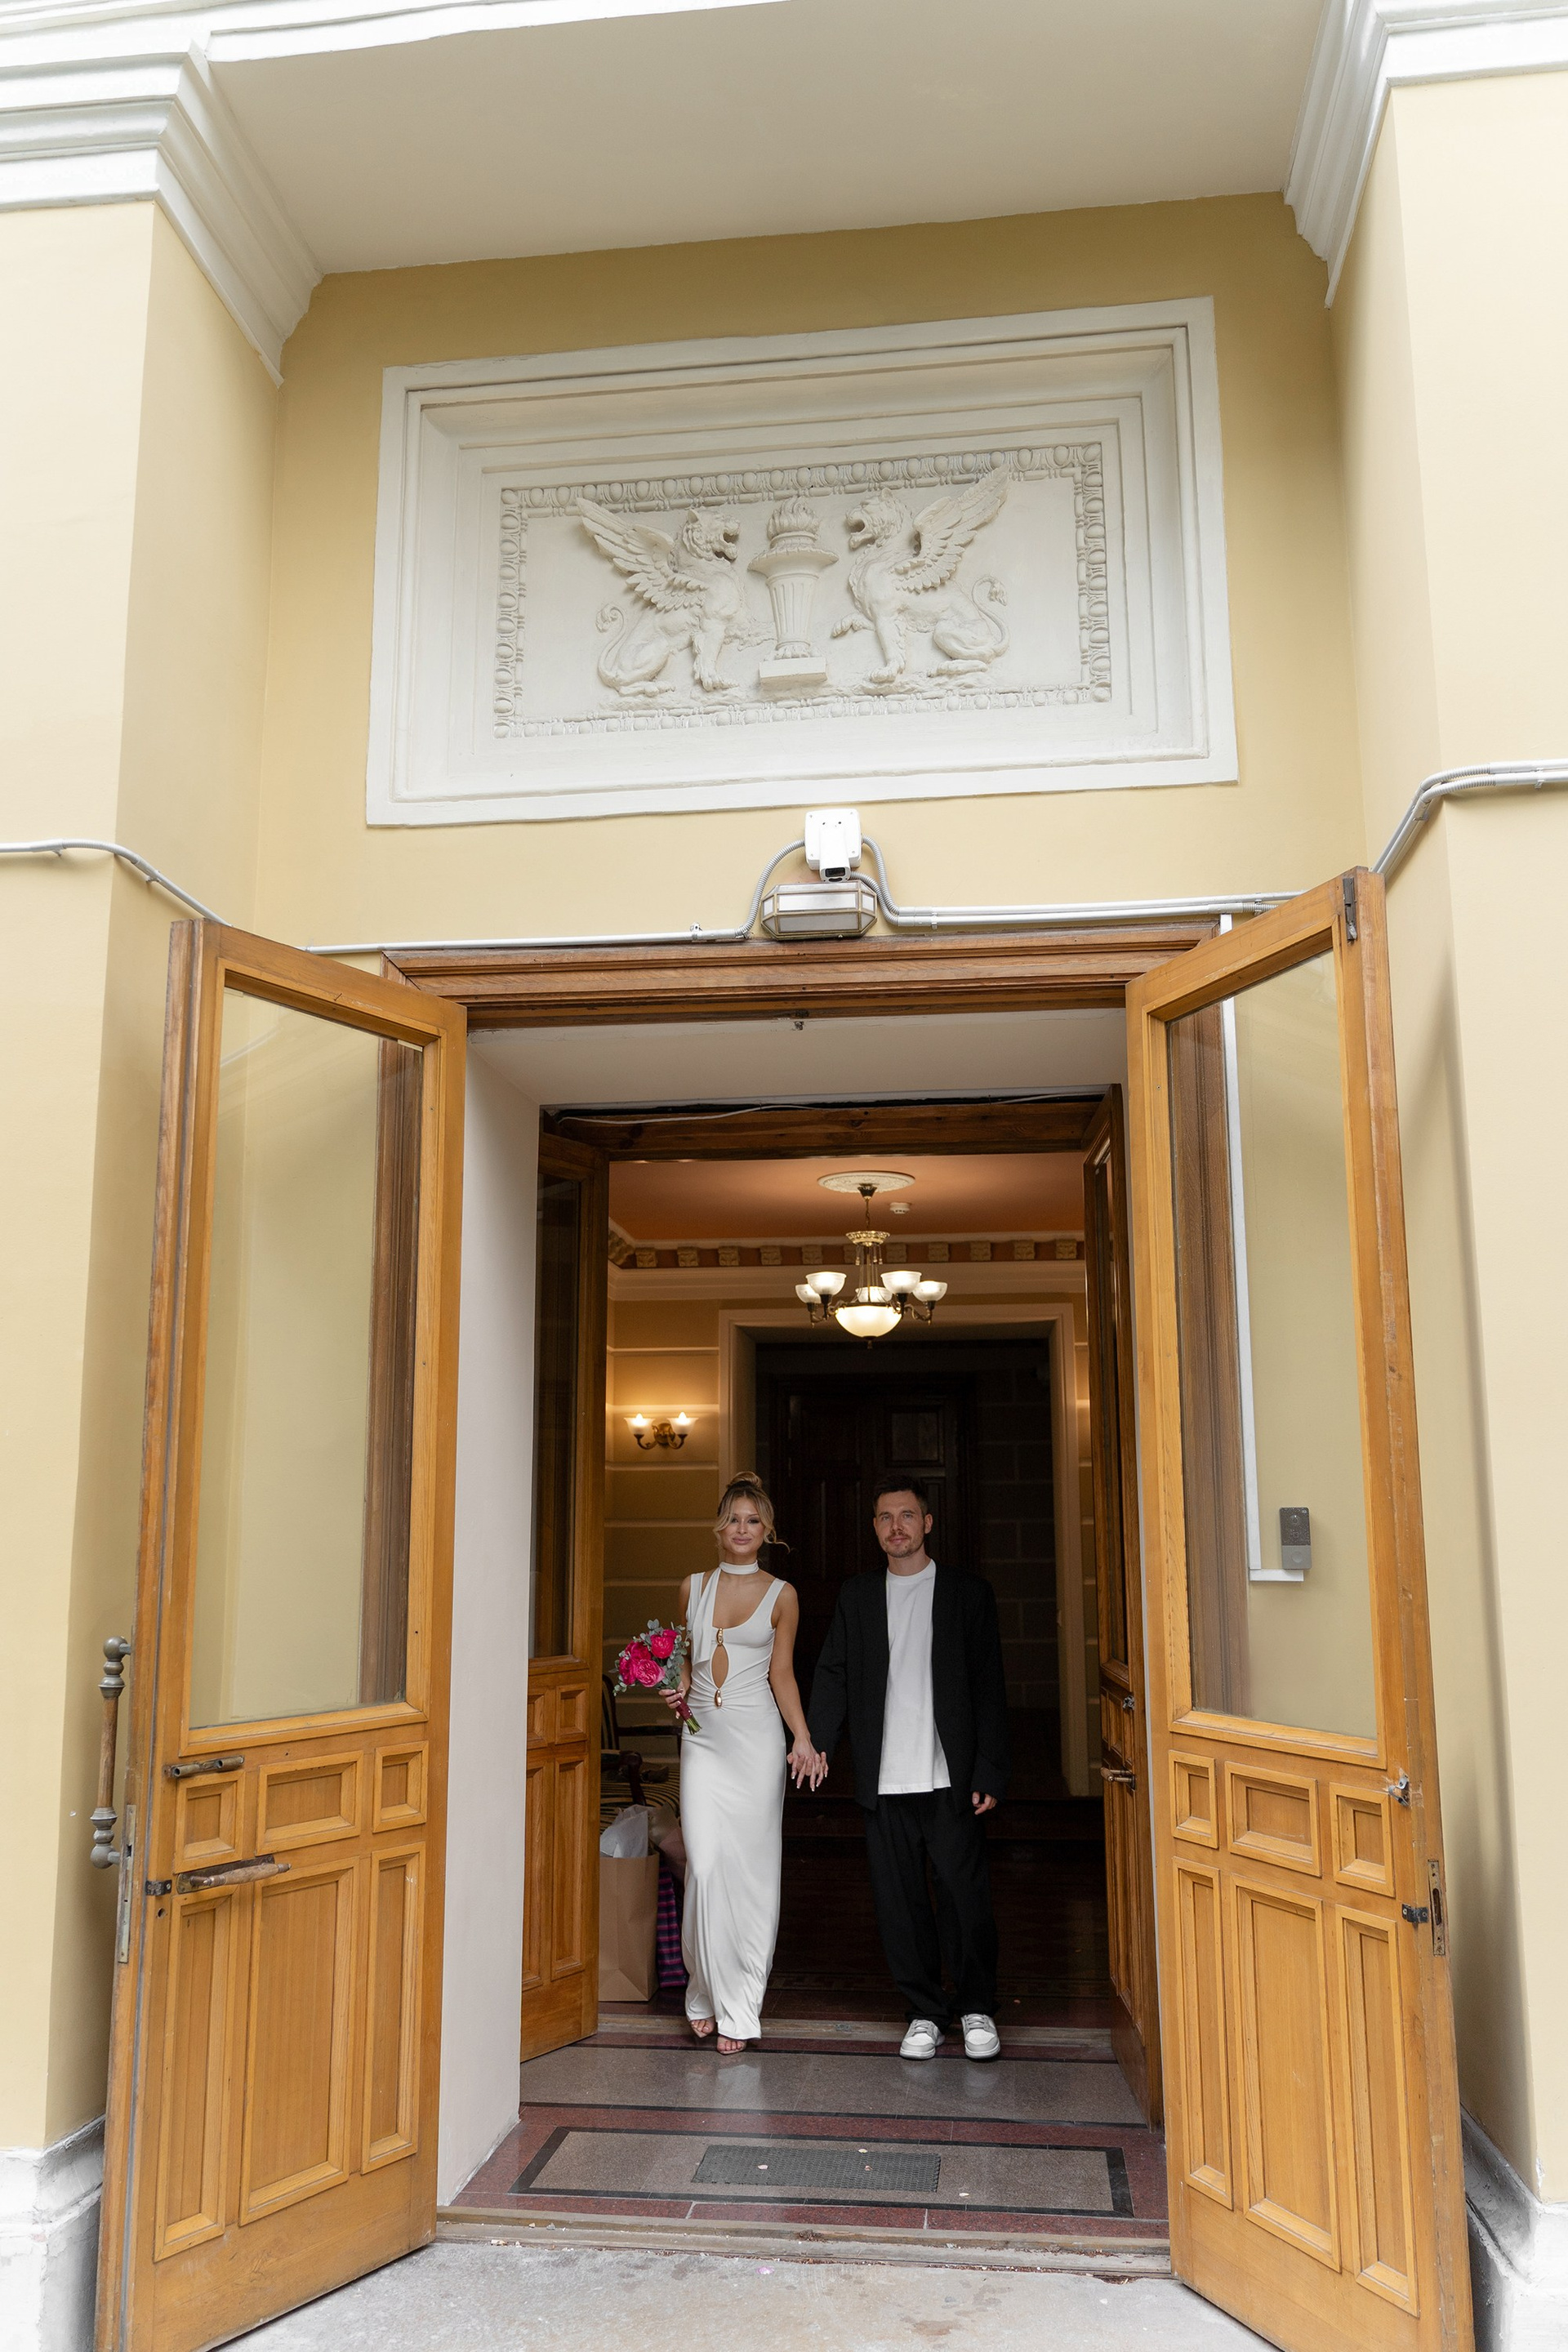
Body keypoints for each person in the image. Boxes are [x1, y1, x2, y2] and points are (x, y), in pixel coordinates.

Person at [807, 1474, 1009, 2061]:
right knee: (899, 1905)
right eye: (885, 1518)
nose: (896, 1527)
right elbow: (834, 1672)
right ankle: (924, 2012)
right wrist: (819, 1743)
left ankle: (975, 2008)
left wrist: (990, 1769)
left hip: (951, 1776)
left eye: (907, 1515)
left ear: (927, 1522)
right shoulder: (858, 1596)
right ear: (875, 1528)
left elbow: (989, 1685)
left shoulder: (967, 1594)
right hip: (884, 1777)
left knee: (964, 1899)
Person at [664, 1473, 826, 2053]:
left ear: (766, 1530)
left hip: (756, 1744)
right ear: (720, 1526)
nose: (742, 1529)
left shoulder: (783, 1595)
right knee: (705, 1866)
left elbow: (782, 1674)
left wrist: (801, 1737)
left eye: (752, 1520)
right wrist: (675, 1687)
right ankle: (704, 1988)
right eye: (733, 1518)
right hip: (703, 1743)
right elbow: (683, 1662)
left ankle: (739, 2003)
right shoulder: (692, 1587)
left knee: (752, 1876)